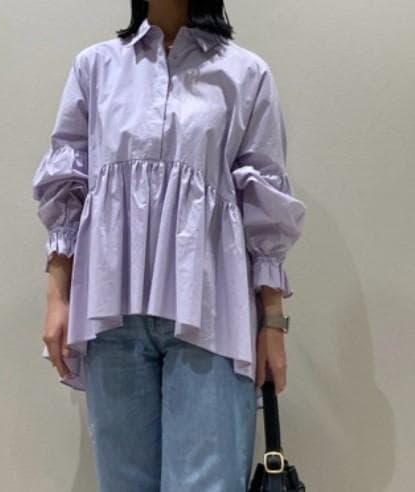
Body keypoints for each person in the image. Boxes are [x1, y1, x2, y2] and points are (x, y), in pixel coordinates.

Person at [31, 0, 306, 490]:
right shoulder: (96, 67)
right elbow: (67, 183)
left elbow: (265, 202)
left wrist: (272, 323)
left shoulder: (245, 74)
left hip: (211, 314)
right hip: (111, 313)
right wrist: (58, 296)